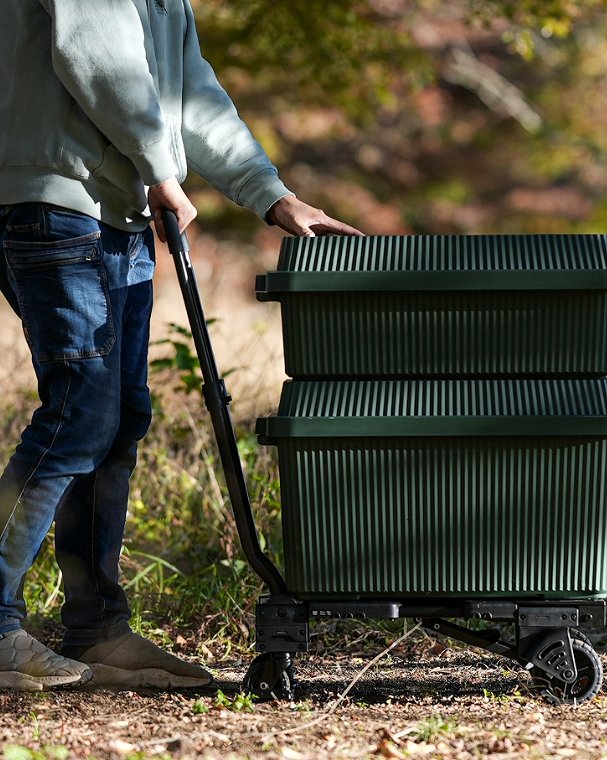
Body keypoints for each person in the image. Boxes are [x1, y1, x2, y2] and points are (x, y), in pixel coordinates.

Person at [0, 0, 362, 692]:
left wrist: (270, 195)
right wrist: (160, 166)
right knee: (80, 410)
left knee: (117, 418)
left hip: (115, 208)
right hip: (56, 202)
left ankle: (97, 628)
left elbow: (189, 93)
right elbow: (96, 55)